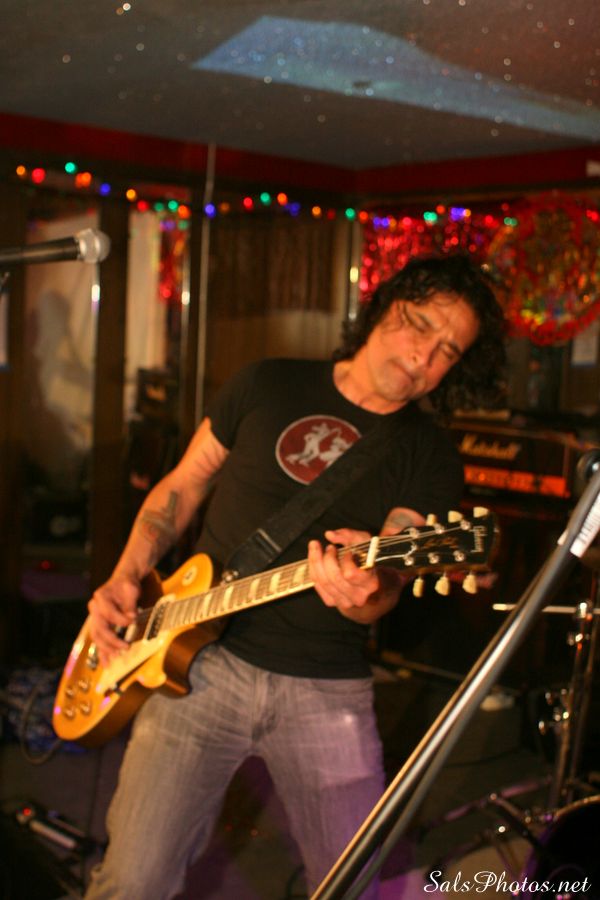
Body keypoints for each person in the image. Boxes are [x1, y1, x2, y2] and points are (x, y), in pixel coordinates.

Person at [85, 253, 506, 899]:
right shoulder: (267, 382)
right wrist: (126, 574)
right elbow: (184, 485)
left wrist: (364, 591)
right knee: (132, 881)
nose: (425, 355)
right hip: (197, 665)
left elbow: (386, 585)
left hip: (325, 689)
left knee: (353, 885)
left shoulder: (428, 453)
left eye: (448, 350)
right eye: (419, 324)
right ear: (381, 307)